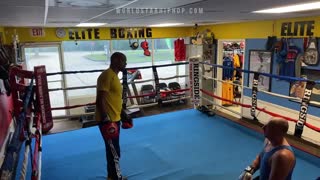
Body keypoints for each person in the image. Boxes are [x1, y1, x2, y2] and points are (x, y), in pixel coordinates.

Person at [95, 52, 131, 180]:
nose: (125, 64)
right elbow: (100, 100)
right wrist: (106, 119)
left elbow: (114, 99)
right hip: (108, 121)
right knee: (114, 151)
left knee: (112, 150)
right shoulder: (107, 76)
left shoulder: (115, 77)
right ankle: (116, 177)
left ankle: (111, 176)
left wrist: (123, 114)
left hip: (115, 119)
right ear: (116, 61)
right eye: (124, 61)